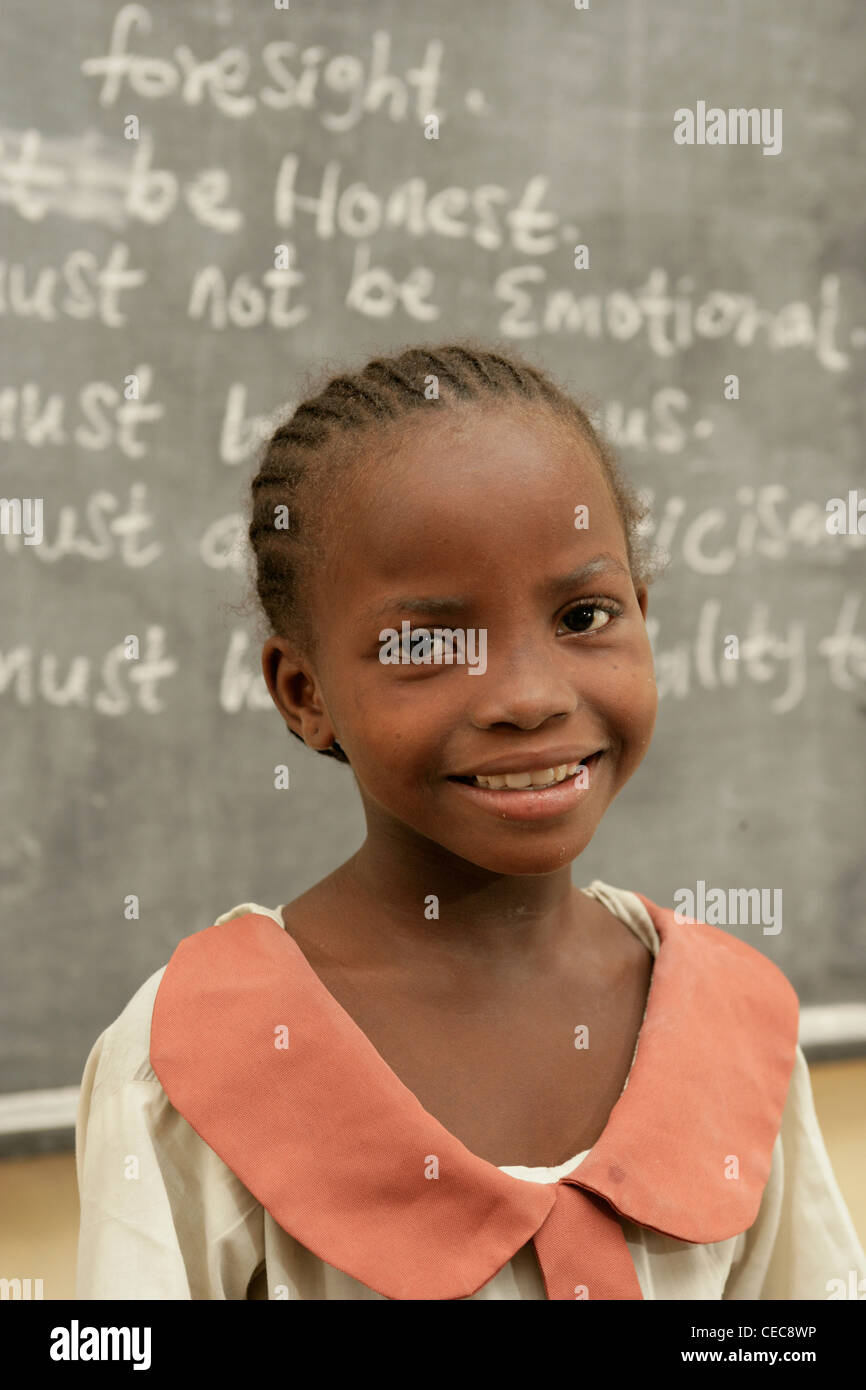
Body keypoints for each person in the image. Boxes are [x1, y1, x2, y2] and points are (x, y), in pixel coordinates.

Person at [75, 342, 865, 1299]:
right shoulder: (192, 1061)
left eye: (583, 617)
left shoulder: (736, 1031)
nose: (529, 696)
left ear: (644, 615)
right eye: (427, 642)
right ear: (304, 691)